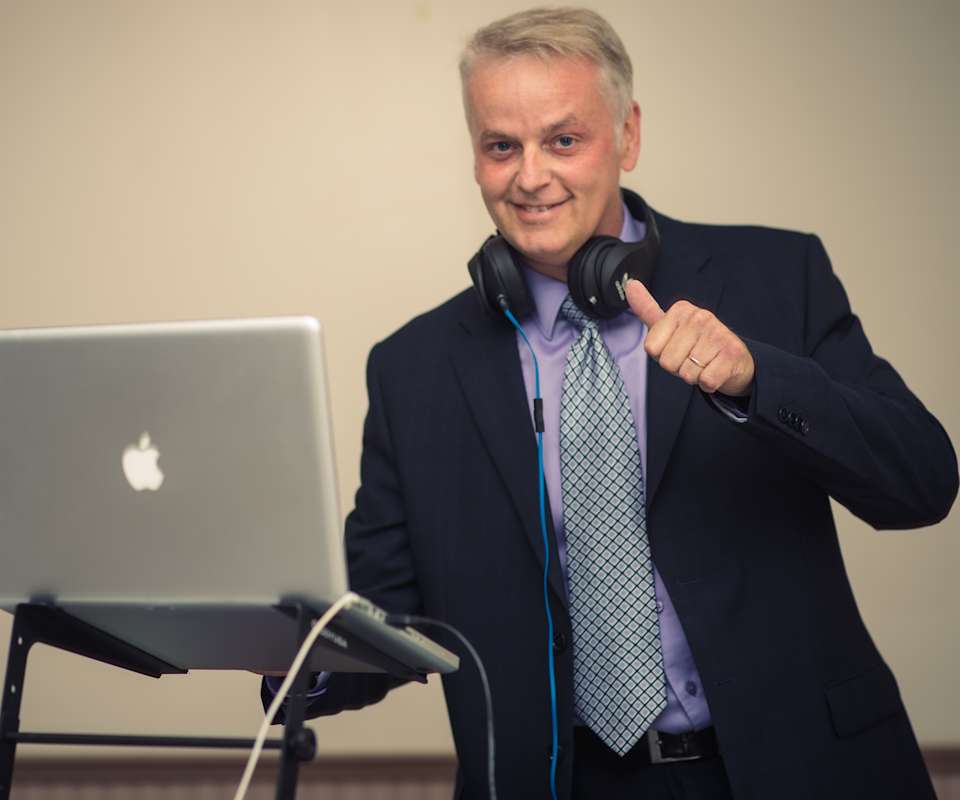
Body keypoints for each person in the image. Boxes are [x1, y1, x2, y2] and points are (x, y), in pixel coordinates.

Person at [261, 7, 957, 799]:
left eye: (563, 140)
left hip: (801, 771)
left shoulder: (776, 276)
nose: (530, 177)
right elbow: (383, 613)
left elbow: (922, 481)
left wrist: (757, 379)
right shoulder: (413, 368)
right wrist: (290, 652)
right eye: (501, 146)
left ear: (627, 136)